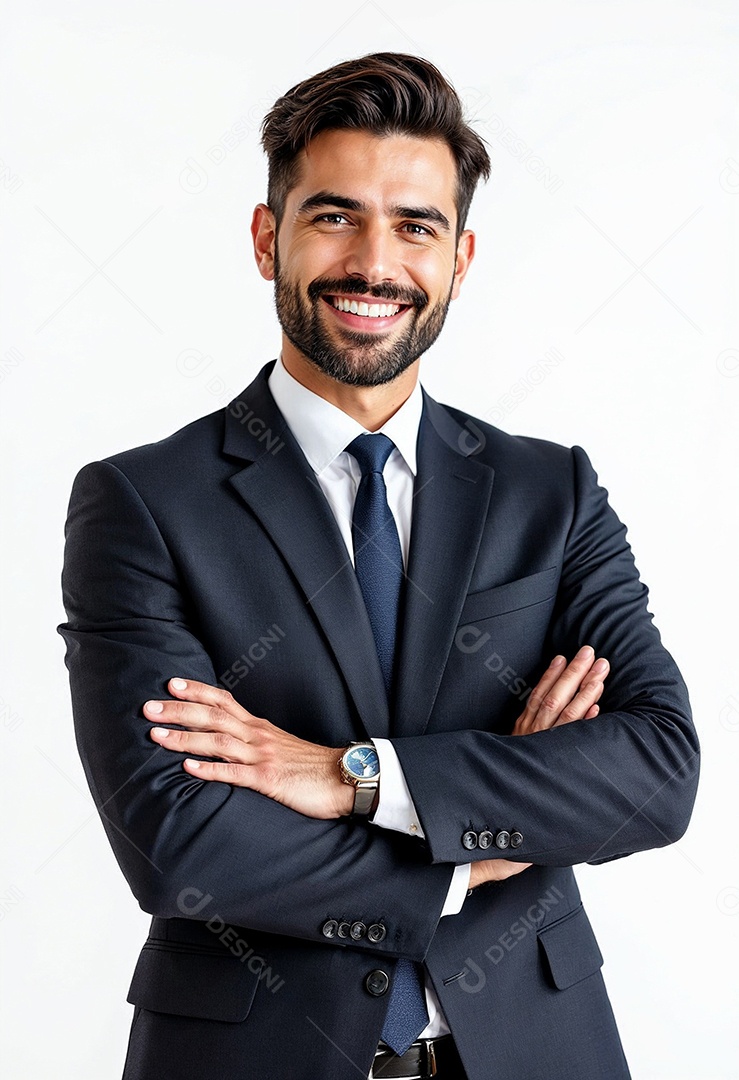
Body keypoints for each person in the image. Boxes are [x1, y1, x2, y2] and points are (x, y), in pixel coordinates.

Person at [58, 52, 699, 1080]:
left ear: (460, 257)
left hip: (538, 1052)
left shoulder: (551, 494)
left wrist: (349, 779)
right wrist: (478, 848)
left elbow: (656, 772)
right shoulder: (143, 504)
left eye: (415, 226)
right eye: (333, 216)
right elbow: (181, 844)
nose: (374, 262)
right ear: (268, 238)